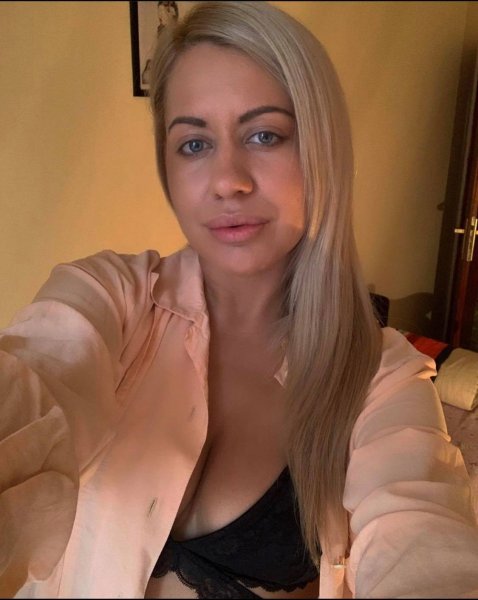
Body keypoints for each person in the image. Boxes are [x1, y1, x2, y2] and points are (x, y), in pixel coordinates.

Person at [1, 1, 478, 598]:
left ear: (322, 152)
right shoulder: (108, 298)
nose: (229, 180)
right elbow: (34, 389)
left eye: (264, 135)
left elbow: (422, 535)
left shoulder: (378, 379)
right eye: (194, 144)